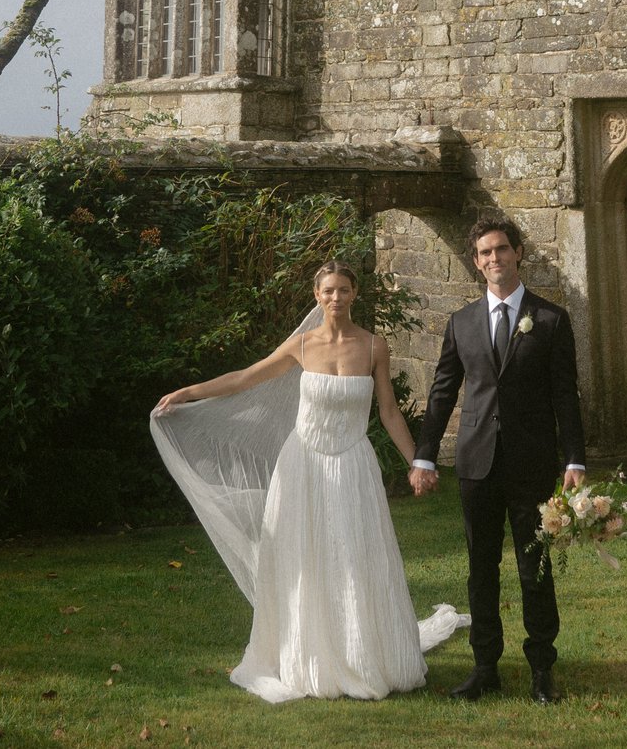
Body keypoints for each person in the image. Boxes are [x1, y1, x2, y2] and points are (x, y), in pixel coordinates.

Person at [151, 261, 465, 702]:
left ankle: (363, 653)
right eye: (328, 291)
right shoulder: (301, 344)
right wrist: (189, 392)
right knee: (304, 560)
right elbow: (246, 378)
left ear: (355, 294)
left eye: (343, 290)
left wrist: (420, 463)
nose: (336, 298)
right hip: (302, 466)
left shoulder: (375, 346)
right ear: (317, 296)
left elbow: (390, 411)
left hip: (353, 465)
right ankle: (309, 655)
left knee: (356, 558)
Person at [410, 217, 588, 704]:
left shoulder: (550, 320)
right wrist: (425, 456)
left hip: (531, 465)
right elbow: (443, 391)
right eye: (486, 253)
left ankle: (541, 671)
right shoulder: (462, 322)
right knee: (480, 568)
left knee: (536, 568)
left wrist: (575, 458)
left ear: (519, 252)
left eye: (502, 250)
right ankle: (485, 666)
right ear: (476, 262)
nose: (495, 259)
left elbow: (565, 397)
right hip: (476, 465)